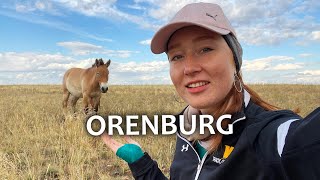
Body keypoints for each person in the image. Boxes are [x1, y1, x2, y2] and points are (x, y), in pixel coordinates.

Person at [101, 2, 320, 180]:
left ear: (235, 60)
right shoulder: (186, 127)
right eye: (177, 56)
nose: (189, 68)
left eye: (205, 49)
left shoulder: (272, 136)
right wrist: (142, 165)